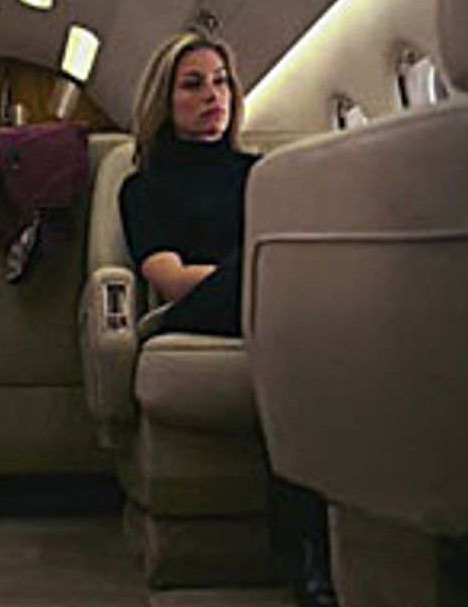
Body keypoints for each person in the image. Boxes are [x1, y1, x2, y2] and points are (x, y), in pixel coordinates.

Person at [117, 32, 336, 606]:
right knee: (270, 266)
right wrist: (257, 269)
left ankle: (311, 547)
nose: (213, 95)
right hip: (194, 313)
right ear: (164, 101)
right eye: (193, 84)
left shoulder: (261, 173)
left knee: (299, 325)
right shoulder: (143, 186)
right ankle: (309, 553)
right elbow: (168, 276)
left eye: (221, 82)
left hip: (272, 307)